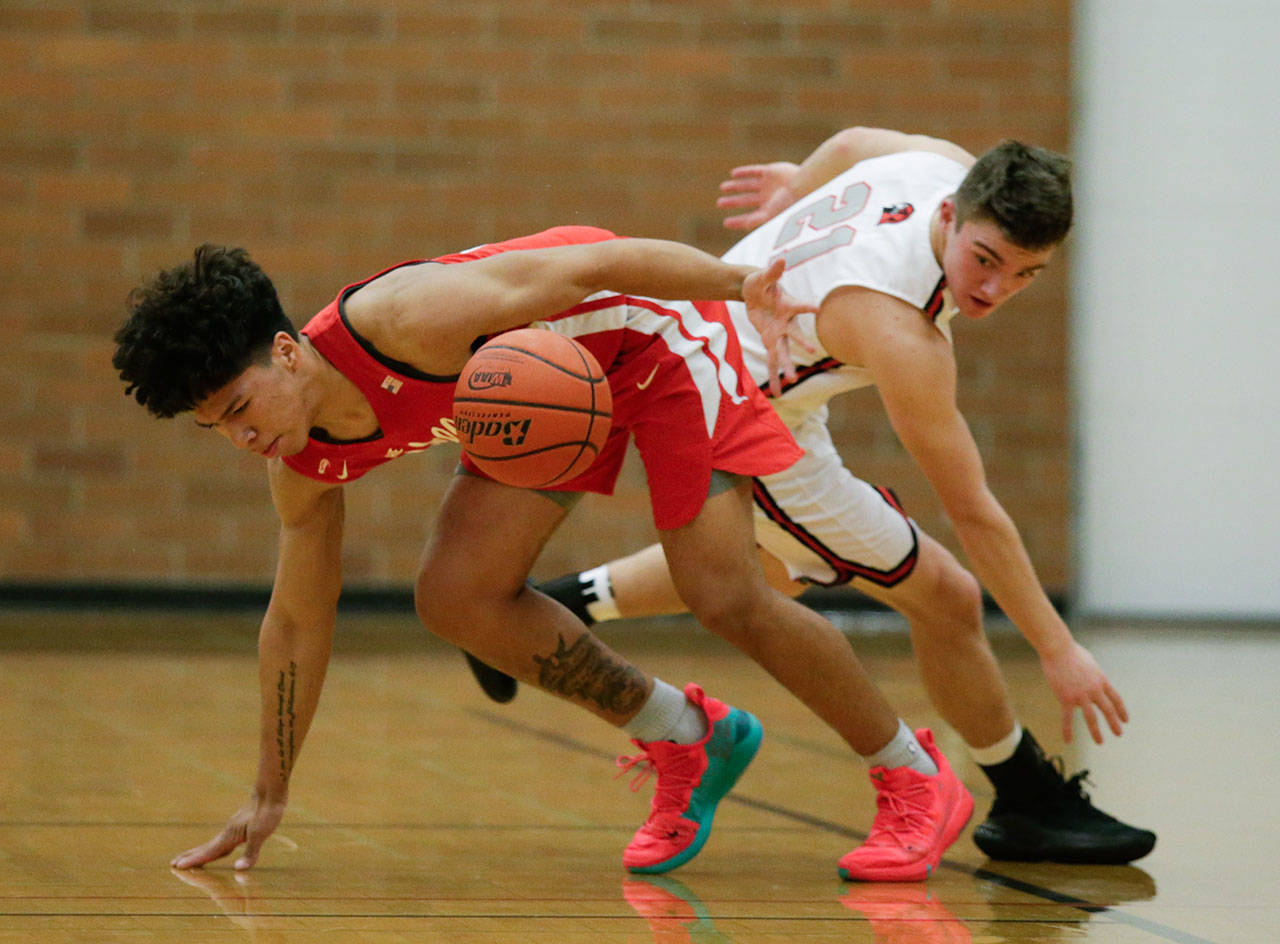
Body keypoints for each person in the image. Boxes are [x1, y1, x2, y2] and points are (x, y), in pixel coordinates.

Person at [113, 225, 973, 882]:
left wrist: (739, 281)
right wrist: (270, 788)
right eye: (213, 427)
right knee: (457, 596)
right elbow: (297, 617)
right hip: (543, 388)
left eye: (237, 406)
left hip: (652, 335)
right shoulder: (298, 461)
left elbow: (596, 264)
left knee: (721, 593)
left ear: (289, 352)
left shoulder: (411, 318)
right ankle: (686, 735)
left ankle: (913, 773)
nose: (238, 436)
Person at [472, 128, 1157, 865]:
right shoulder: (899, 327)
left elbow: (857, 141)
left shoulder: (946, 168)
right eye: (985, 261)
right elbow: (972, 509)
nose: (993, 291)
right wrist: (1059, 649)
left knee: (775, 567)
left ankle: (568, 605)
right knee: (947, 597)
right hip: (734, 404)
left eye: (1027, 274)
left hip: (732, 350)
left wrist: (797, 183)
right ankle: (1018, 798)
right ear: (953, 216)